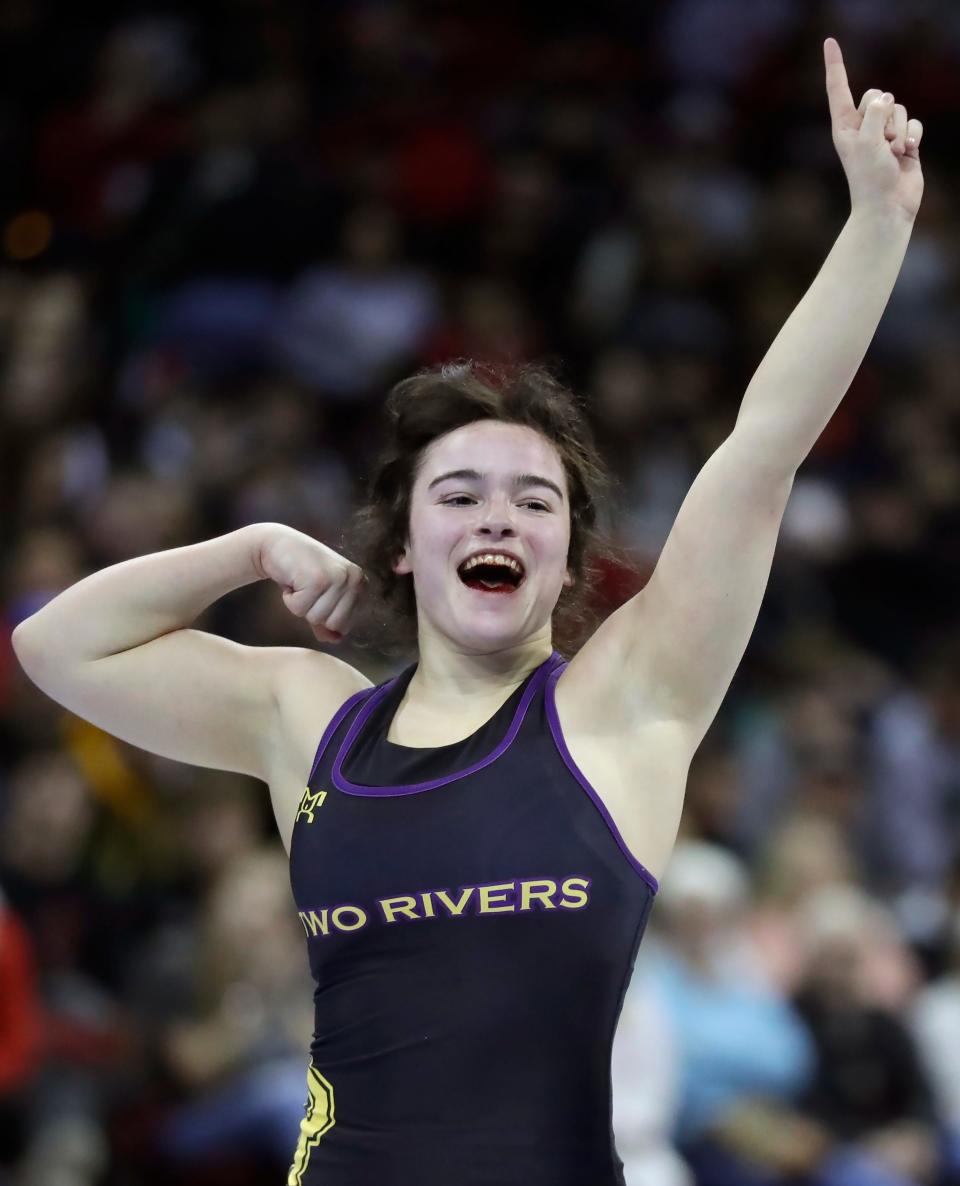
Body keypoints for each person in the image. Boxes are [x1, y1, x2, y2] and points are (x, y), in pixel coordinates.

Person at [10, 38, 923, 1186]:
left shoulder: (628, 702)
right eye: (459, 494)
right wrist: (243, 549)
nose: (498, 517)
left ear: (567, 559)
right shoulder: (311, 716)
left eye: (534, 499)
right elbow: (55, 643)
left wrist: (877, 226)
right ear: (402, 547)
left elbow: (761, 455)